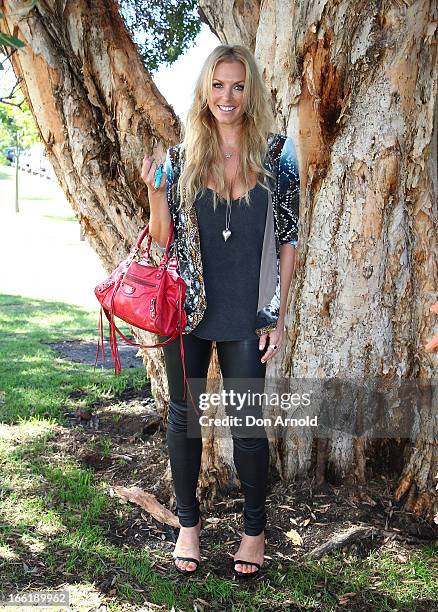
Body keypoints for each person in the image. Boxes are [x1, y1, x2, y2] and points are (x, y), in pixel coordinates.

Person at [141, 44, 299, 578]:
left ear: (249, 90)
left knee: (248, 425)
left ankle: (254, 532)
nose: (226, 97)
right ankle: (189, 525)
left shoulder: (280, 153)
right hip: (189, 311)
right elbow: (164, 238)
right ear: (204, 92)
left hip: (246, 313)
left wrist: (275, 316)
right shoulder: (183, 155)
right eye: (217, 86)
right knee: (185, 419)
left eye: (236, 86)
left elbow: (288, 242)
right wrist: (155, 193)